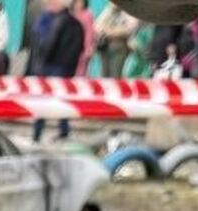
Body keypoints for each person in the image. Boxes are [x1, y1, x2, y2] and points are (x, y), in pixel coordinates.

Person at [28, 0, 84, 141]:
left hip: (51, 68)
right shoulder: (78, 25)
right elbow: (79, 50)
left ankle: (37, 133)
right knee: (63, 101)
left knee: (43, 102)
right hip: (66, 69)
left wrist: (42, 63)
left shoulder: (57, 22)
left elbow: (49, 45)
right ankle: (64, 131)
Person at [93, 2, 138, 78]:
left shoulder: (129, 12)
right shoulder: (108, 11)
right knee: (104, 74)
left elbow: (130, 29)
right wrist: (108, 30)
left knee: (116, 73)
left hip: (120, 46)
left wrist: (111, 32)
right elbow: (97, 26)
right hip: (105, 46)